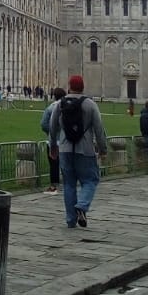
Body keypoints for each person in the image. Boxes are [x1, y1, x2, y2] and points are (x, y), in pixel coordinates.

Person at [49, 75, 109, 228]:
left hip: (65, 149)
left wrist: (53, 146)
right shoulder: (90, 104)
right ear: (83, 87)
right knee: (90, 180)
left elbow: (52, 127)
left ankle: (71, 220)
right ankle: (82, 206)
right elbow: (99, 129)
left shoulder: (59, 104)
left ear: (69, 86)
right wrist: (103, 149)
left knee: (69, 184)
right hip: (85, 149)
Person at [42, 87, 65, 193]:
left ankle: (54, 186)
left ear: (54, 96)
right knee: (66, 163)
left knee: (54, 164)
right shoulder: (68, 106)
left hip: (54, 141)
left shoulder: (51, 108)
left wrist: (51, 132)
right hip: (66, 141)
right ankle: (68, 183)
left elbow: (44, 124)